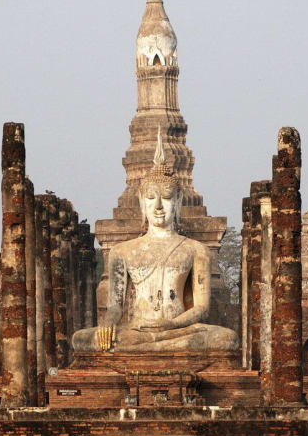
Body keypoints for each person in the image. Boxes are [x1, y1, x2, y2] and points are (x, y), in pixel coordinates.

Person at [71, 132, 237, 354]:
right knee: (81, 340)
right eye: (151, 198)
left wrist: (172, 324)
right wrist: (109, 322)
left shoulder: (196, 250)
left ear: (177, 202)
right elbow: (115, 307)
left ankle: (154, 346)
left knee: (226, 339)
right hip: (136, 330)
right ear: (141, 202)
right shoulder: (122, 251)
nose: (158, 206)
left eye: (167, 198)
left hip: (179, 330)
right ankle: (150, 346)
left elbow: (201, 308)